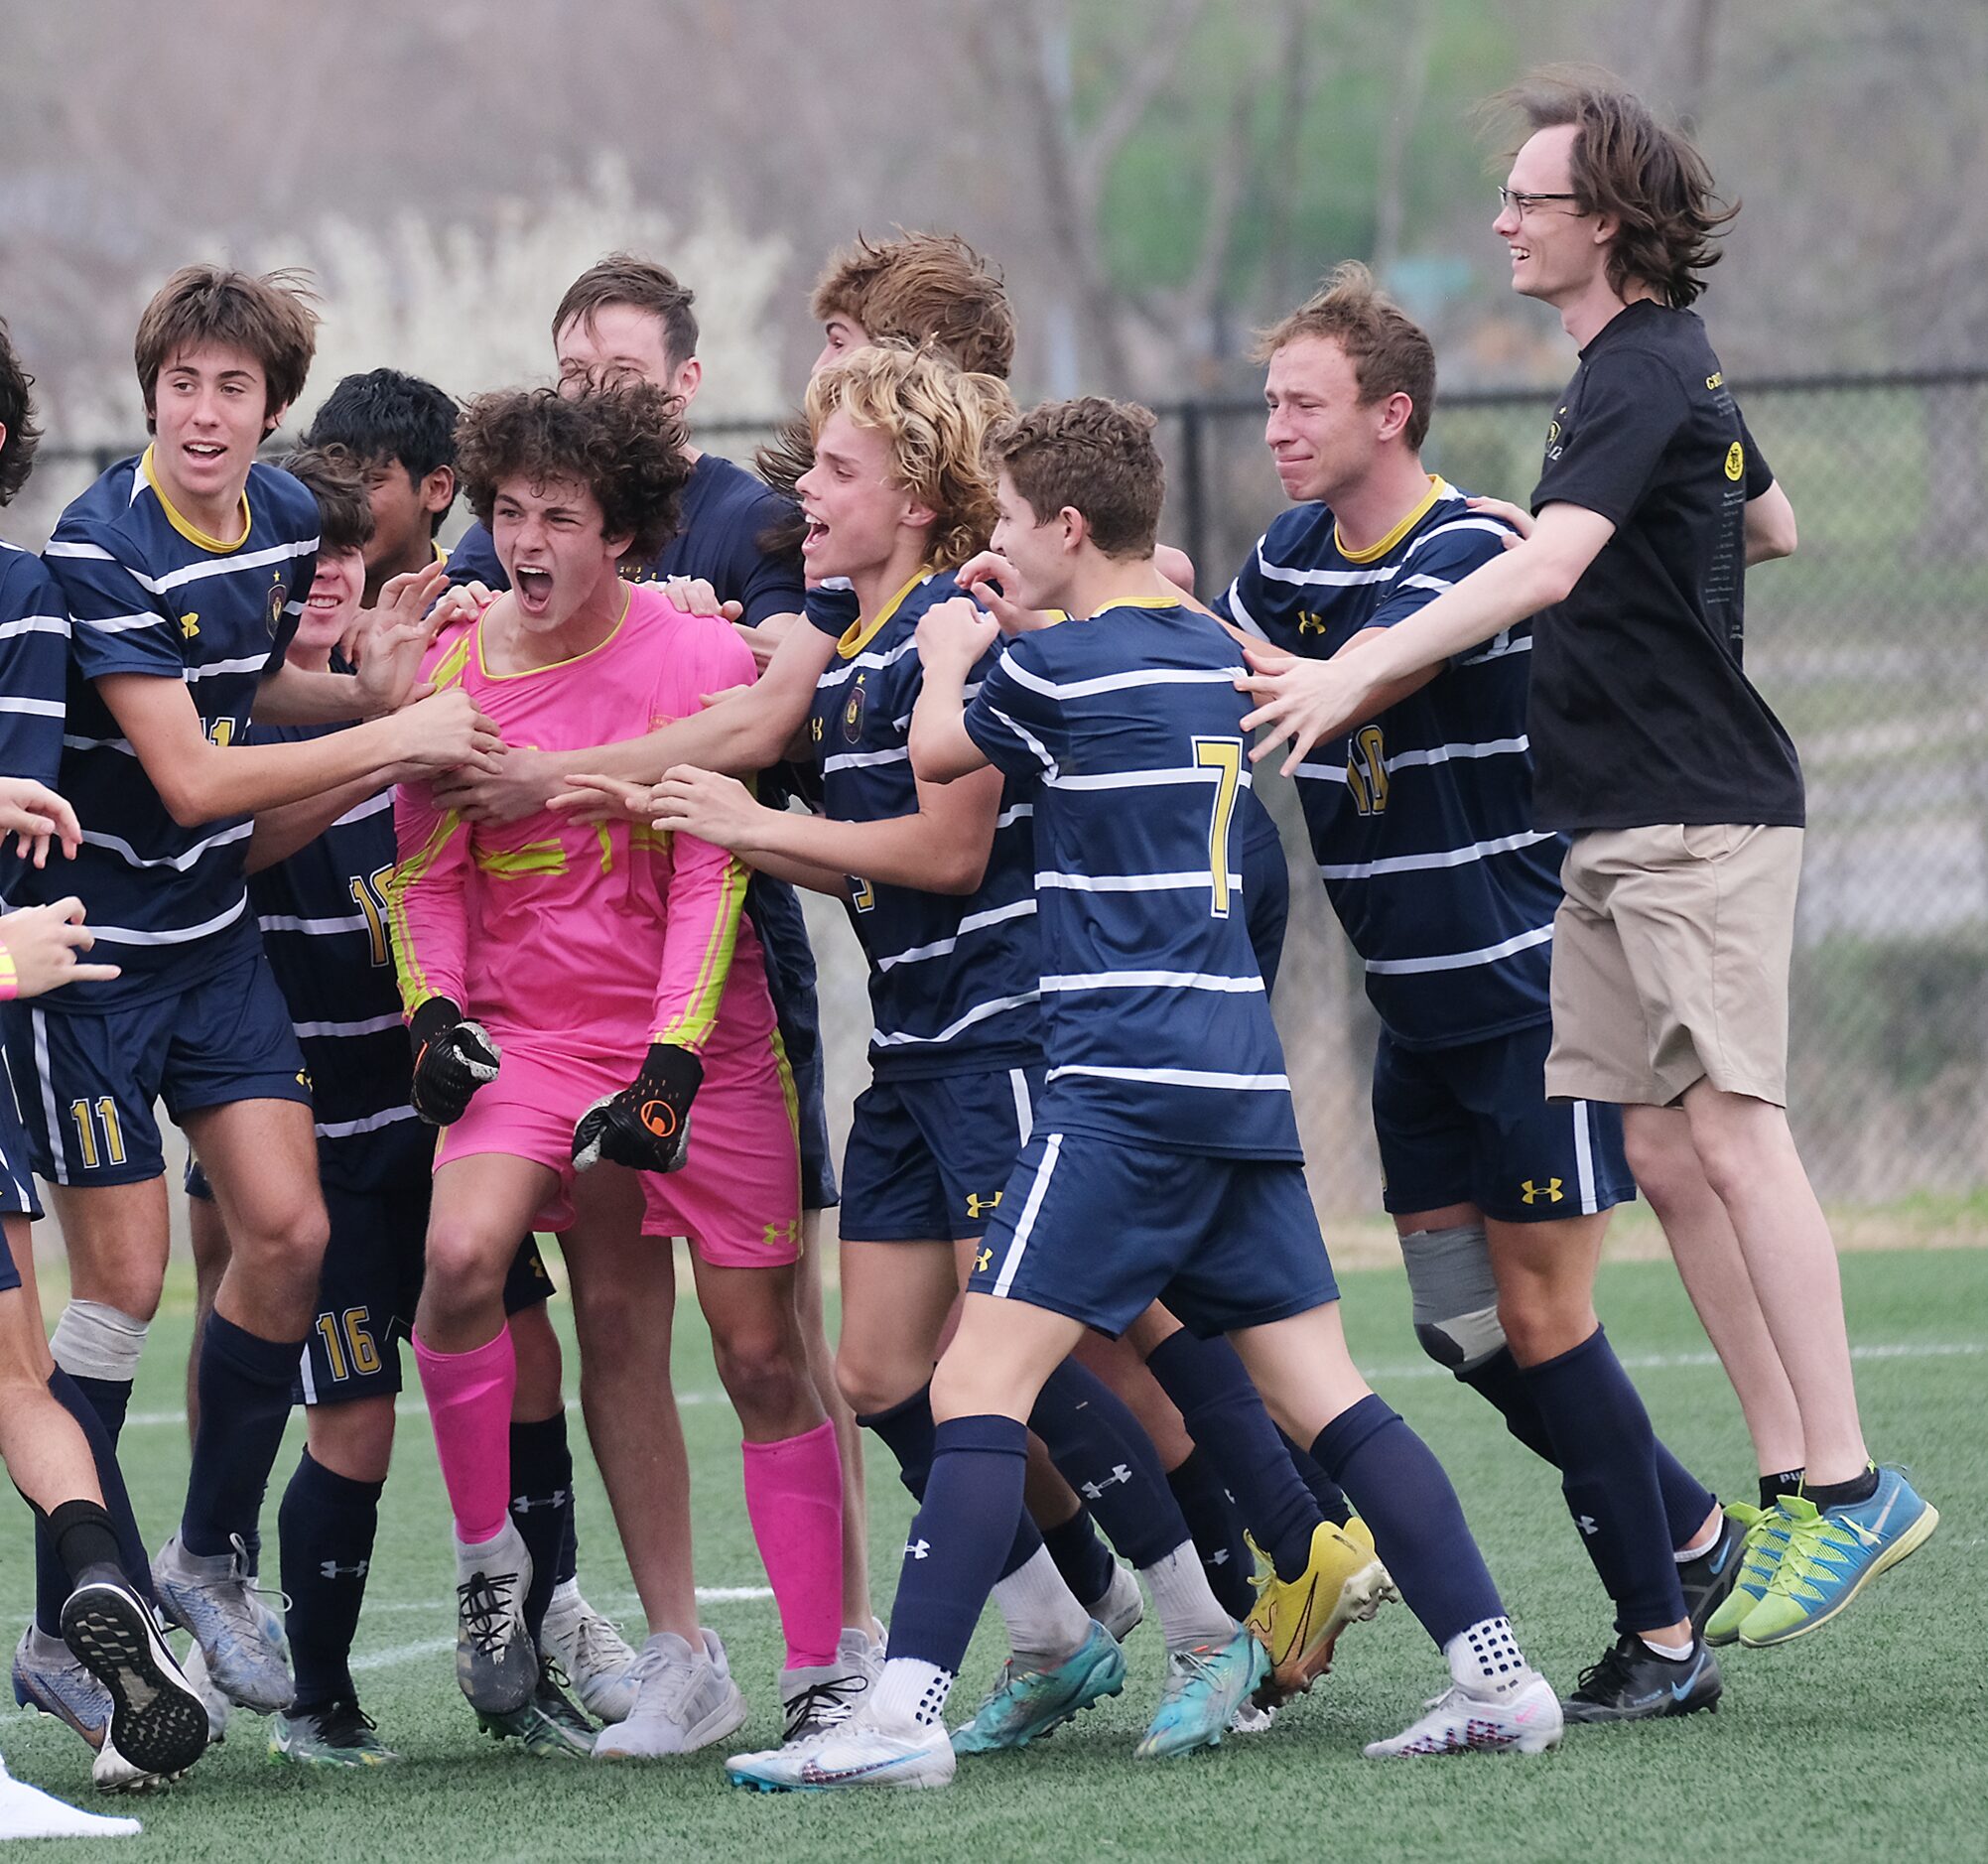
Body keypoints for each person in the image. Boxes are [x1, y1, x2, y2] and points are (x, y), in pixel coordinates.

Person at [725, 396, 1562, 1792]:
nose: (990, 540)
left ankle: (902, 1715)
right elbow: (1180, 636)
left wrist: (944, 650)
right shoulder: (1204, 651)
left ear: (1063, 528)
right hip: (1238, 1077)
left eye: (1005, 519)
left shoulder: (1054, 672)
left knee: (978, 1378)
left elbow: (940, 757)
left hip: (1116, 1089)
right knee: (1330, 1395)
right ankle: (1500, 1674)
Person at [1240, 67, 1937, 1647]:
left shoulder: (1640, 367)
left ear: (1601, 224)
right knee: (1673, 1155)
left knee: (1736, 1137)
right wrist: (1612, 497)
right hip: (1613, 823)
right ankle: (1778, 1484)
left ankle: (1845, 1486)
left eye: (1527, 201)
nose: (1500, 221)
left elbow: (1553, 564)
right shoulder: (1631, 385)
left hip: (1697, 809)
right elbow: (1770, 522)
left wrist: (1357, 667)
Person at [577, 345, 1277, 1761]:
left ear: (912, 496)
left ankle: (1210, 1628)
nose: (803, 494)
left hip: (1003, 1035)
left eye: (836, 471)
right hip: (911, 1051)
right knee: (886, 1368)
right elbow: (864, 868)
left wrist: (755, 828)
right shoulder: (845, 649)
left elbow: (947, 854)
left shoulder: (948, 639)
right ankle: (1052, 1632)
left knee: (1027, 1354)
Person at [1214, 261, 1738, 1720]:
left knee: (1546, 1313)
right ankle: (1689, 1530)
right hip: (1411, 1011)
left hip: (1529, 1000)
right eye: (1265, 403)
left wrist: (1276, 668)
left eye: (1302, 403)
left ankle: (1660, 1636)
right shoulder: (1283, 557)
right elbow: (1241, 664)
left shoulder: (1461, 554)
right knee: (1458, 1324)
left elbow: (1340, 682)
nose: (1276, 427)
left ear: (1391, 413)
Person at [4, 265, 494, 1725]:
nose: (204, 413)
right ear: (148, 391)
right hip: (90, 952)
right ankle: (60, 1625)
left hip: (211, 939)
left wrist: (358, 695)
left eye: (232, 388)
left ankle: (204, 1558)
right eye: (182, 384)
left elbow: (235, 691)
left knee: (288, 1227)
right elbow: (193, 773)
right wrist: (395, 731)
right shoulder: (100, 550)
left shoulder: (282, 520)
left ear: (270, 409)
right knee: (124, 1288)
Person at [391, 382, 843, 1762]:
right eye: (508, 512)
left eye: (560, 518)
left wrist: (666, 1064)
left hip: (696, 1037)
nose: (524, 542)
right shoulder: (450, 666)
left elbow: (709, 871)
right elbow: (424, 872)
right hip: (530, 1038)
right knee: (477, 1263)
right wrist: (434, 1012)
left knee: (763, 1350)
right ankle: (581, 1612)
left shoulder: (695, 661)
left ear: (624, 530)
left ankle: (826, 1665)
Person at [285, 371, 636, 1723]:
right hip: (334, 1119)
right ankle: (315, 1691)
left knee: (526, 1354)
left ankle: (531, 1628)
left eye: (352, 523)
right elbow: (232, 842)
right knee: (354, 1408)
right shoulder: (276, 694)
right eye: (306, 559)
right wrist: (372, 731)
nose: (335, 568)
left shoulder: (477, 640)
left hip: (465, 1094)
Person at [0, 315, 209, 1804]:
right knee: (17, 1373)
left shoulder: (22, 596)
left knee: (24, 1364)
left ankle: (96, 1615)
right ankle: (94, 1600)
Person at [304, 368, 460, 600]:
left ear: (437, 488)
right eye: (331, 479)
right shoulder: (282, 600)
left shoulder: (477, 609)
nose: (343, 502)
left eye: (369, 482)